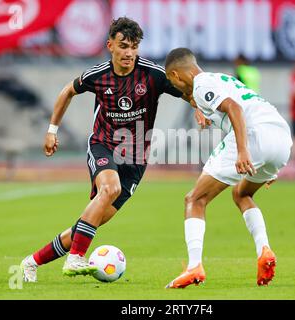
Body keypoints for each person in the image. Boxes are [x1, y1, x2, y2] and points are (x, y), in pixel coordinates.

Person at [20, 17, 194, 282]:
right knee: (109, 189)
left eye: (134, 47)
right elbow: (68, 90)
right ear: (110, 45)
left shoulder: (152, 75)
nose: (129, 53)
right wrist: (52, 130)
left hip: (136, 159)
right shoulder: (97, 75)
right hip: (103, 145)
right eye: (123, 46)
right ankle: (76, 258)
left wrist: (201, 110)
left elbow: (187, 91)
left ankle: (31, 262)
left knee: (91, 222)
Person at [163, 48, 293, 288]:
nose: (177, 87)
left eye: (173, 82)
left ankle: (194, 267)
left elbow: (234, 108)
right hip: (281, 139)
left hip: (253, 137)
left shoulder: (202, 85)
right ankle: (264, 250)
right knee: (242, 193)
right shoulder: (220, 79)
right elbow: (215, 100)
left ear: (176, 75)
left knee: (195, 199)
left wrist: (244, 151)